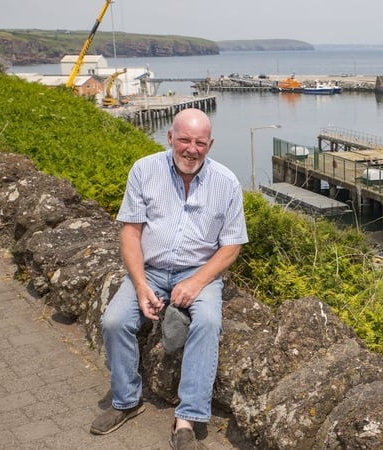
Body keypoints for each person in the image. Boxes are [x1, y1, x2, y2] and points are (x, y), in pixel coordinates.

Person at [90, 108, 248, 449]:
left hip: (199, 272)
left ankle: (187, 419)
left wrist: (196, 282)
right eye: (185, 140)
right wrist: (142, 285)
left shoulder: (227, 182)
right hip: (149, 269)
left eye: (200, 142)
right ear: (170, 138)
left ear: (210, 144)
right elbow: (130, 233)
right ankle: (126, 401)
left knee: (206, 322)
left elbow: (232, 245)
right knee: (115, 320)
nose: (192, 149)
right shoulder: (144, 170)